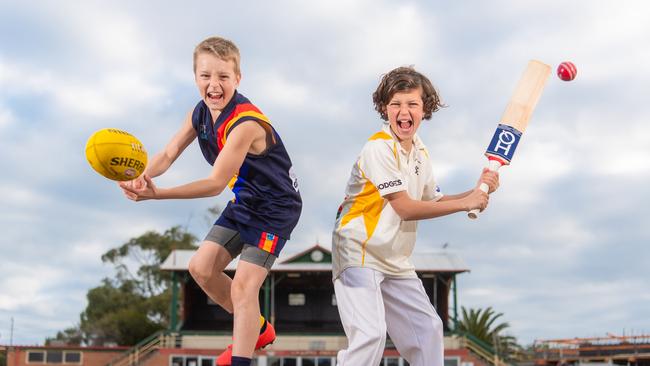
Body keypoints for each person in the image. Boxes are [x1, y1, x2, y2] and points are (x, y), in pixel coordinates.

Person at [120, 36, 302, 366]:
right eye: (205, 76)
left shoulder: (245, 124)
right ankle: (257, 327)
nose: (214, 85)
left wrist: (157, 194)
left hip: (276, 208)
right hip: (246, 200)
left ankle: (241, 358)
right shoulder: (199, 113)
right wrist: (143, 175)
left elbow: (215, 183)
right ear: (195, 78)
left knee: (245, 288)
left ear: (238, 79)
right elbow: (168, 153)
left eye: (223, 76)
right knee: (200, 268)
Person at [331, 66, 499, 366]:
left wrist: (475, 193)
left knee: (429, 329)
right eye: (395, 104)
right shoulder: (378, 148)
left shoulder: (420, 152)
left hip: (395, 260)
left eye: (412, 104)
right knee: (370, 335)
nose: (403, 111)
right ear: (385, 108)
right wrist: (466, 203)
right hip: (357, 251)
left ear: (425, 109)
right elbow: (406, 208)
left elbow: (433, 200)